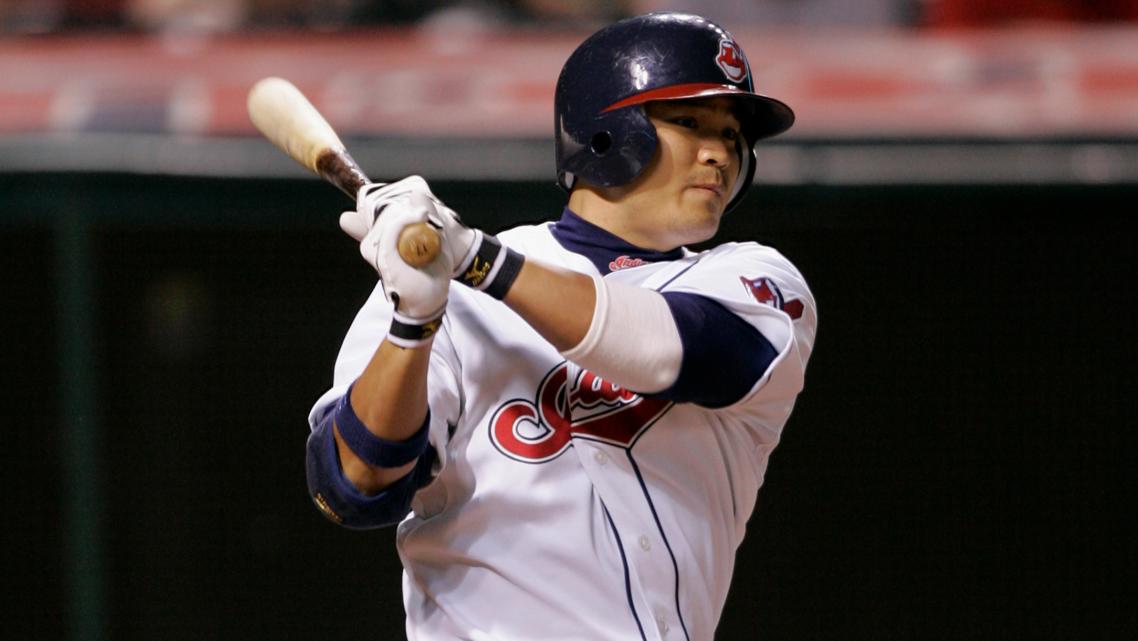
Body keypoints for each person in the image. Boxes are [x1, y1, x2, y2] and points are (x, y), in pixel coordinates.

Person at [306, 11, 817, 640]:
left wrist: (477, 261)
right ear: (606, 132)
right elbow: (354, 485)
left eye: (732, 134)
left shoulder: (752, 280)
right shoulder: (443, 291)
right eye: (690, 123)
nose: (720, 153)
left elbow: (670, 349)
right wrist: (413, 321)